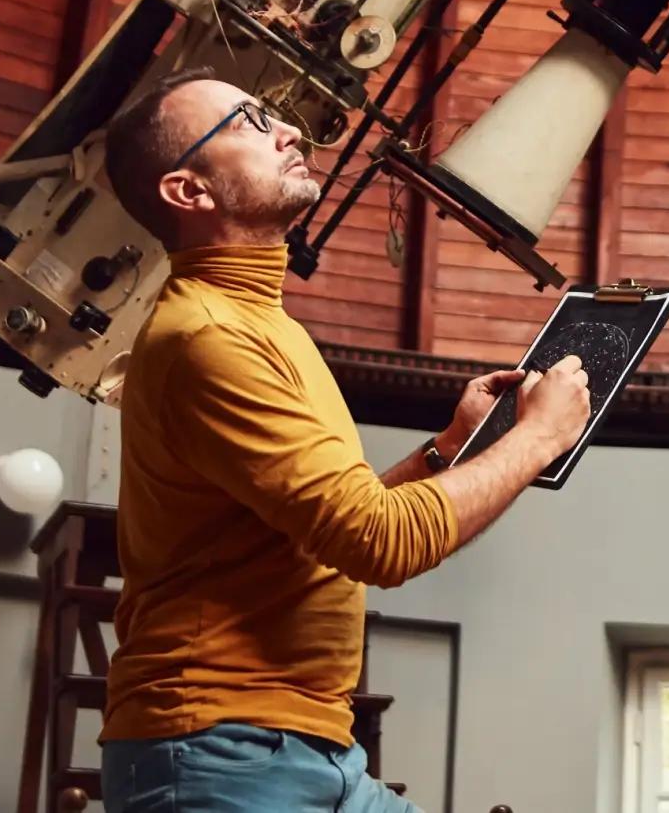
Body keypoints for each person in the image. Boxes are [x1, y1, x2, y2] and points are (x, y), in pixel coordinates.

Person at [93, 68, 590, 813]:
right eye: (251, 126)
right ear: (187, 192)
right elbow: (377, 543)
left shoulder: (265, 325)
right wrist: (539, 438)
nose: (290, 131)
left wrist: (447, 449)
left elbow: (322, 528)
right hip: (216, 754)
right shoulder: (206, 339)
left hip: (306, 748)